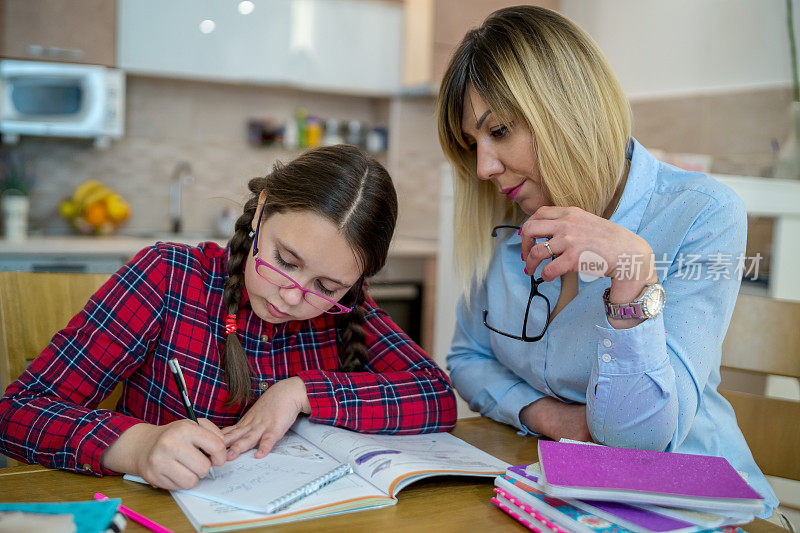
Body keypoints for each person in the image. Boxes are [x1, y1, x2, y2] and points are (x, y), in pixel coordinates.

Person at [435, 5, 778, 516]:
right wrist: (550, 417)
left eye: (500, 130)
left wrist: (632, 279)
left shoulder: (701, 213)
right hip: (554, 493)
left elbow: (638, 443)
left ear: (567, 108)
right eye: (472, 143)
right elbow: (467, 358)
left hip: (690, 510)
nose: (484, 166)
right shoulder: (509, 216)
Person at [0, 145, 457, 490]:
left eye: (327, 287)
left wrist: (300, 391)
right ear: (261, 210)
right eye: (285, 260)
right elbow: (15, 412)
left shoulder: (345, 309)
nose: (294, 296)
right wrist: (136, 447)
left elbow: (437, 395)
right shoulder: (169, 276)